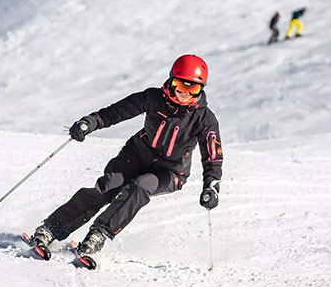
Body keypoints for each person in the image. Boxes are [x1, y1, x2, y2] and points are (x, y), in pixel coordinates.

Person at [27, 54, 223, 258]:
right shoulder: (153, 98)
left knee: (141, 187)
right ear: (171, 80)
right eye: (180, 85)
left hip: (170, 171)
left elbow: (212, 156)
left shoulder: (205, 119)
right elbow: (117, 111)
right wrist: (89, 123)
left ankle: (99, 234)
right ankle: (50, 229)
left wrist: (211, 185)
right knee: (107, 187)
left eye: (192, 89)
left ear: (201, 89)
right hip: (137, 155)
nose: (184, 93)